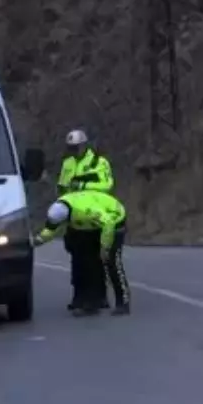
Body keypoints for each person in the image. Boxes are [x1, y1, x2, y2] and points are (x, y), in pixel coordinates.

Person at [34, 190, 131, 316]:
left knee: (111, 261)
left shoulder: (87, 212)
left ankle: (123, 302)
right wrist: (37, 241)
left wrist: (105, 247)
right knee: (87, 261)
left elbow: (108, 224)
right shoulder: (59, 208)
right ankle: (92, 302)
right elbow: (50, 230)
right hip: (88, 225)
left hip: (113, 219)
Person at [55, 129, 116, 311]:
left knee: (95, 258)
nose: (74, 151)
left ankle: (99, 296)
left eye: (76, 147)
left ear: (84, 146)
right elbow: (62, 187)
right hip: (75, 216)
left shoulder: (99, 162)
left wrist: (83, 185)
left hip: (95, 215)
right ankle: (79, 296)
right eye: (71, 148)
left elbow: (107, 185)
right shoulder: (67, 164)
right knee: (77, 258)